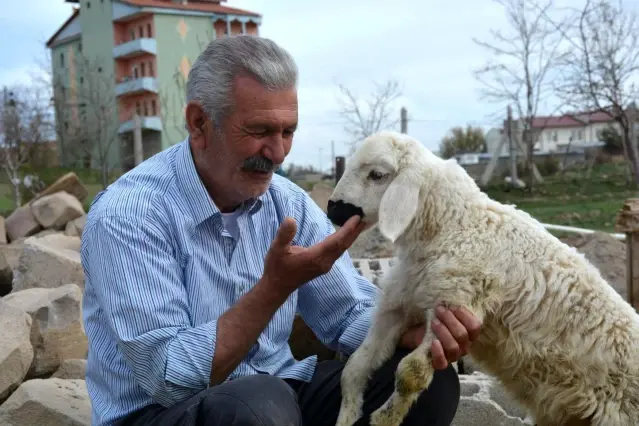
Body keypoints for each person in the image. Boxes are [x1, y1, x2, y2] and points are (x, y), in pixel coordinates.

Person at [80, 35, 482, 426]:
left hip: (276, 400)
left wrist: (413, 330)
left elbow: (347, 313)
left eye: (287, 132)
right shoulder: (129, 215)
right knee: (256, 405)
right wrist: (274, 288)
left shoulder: (285, 202)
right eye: (259, 132)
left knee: (422, 383)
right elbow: (169, 378)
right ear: (199, 123)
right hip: (165, 413)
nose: (277, 153)